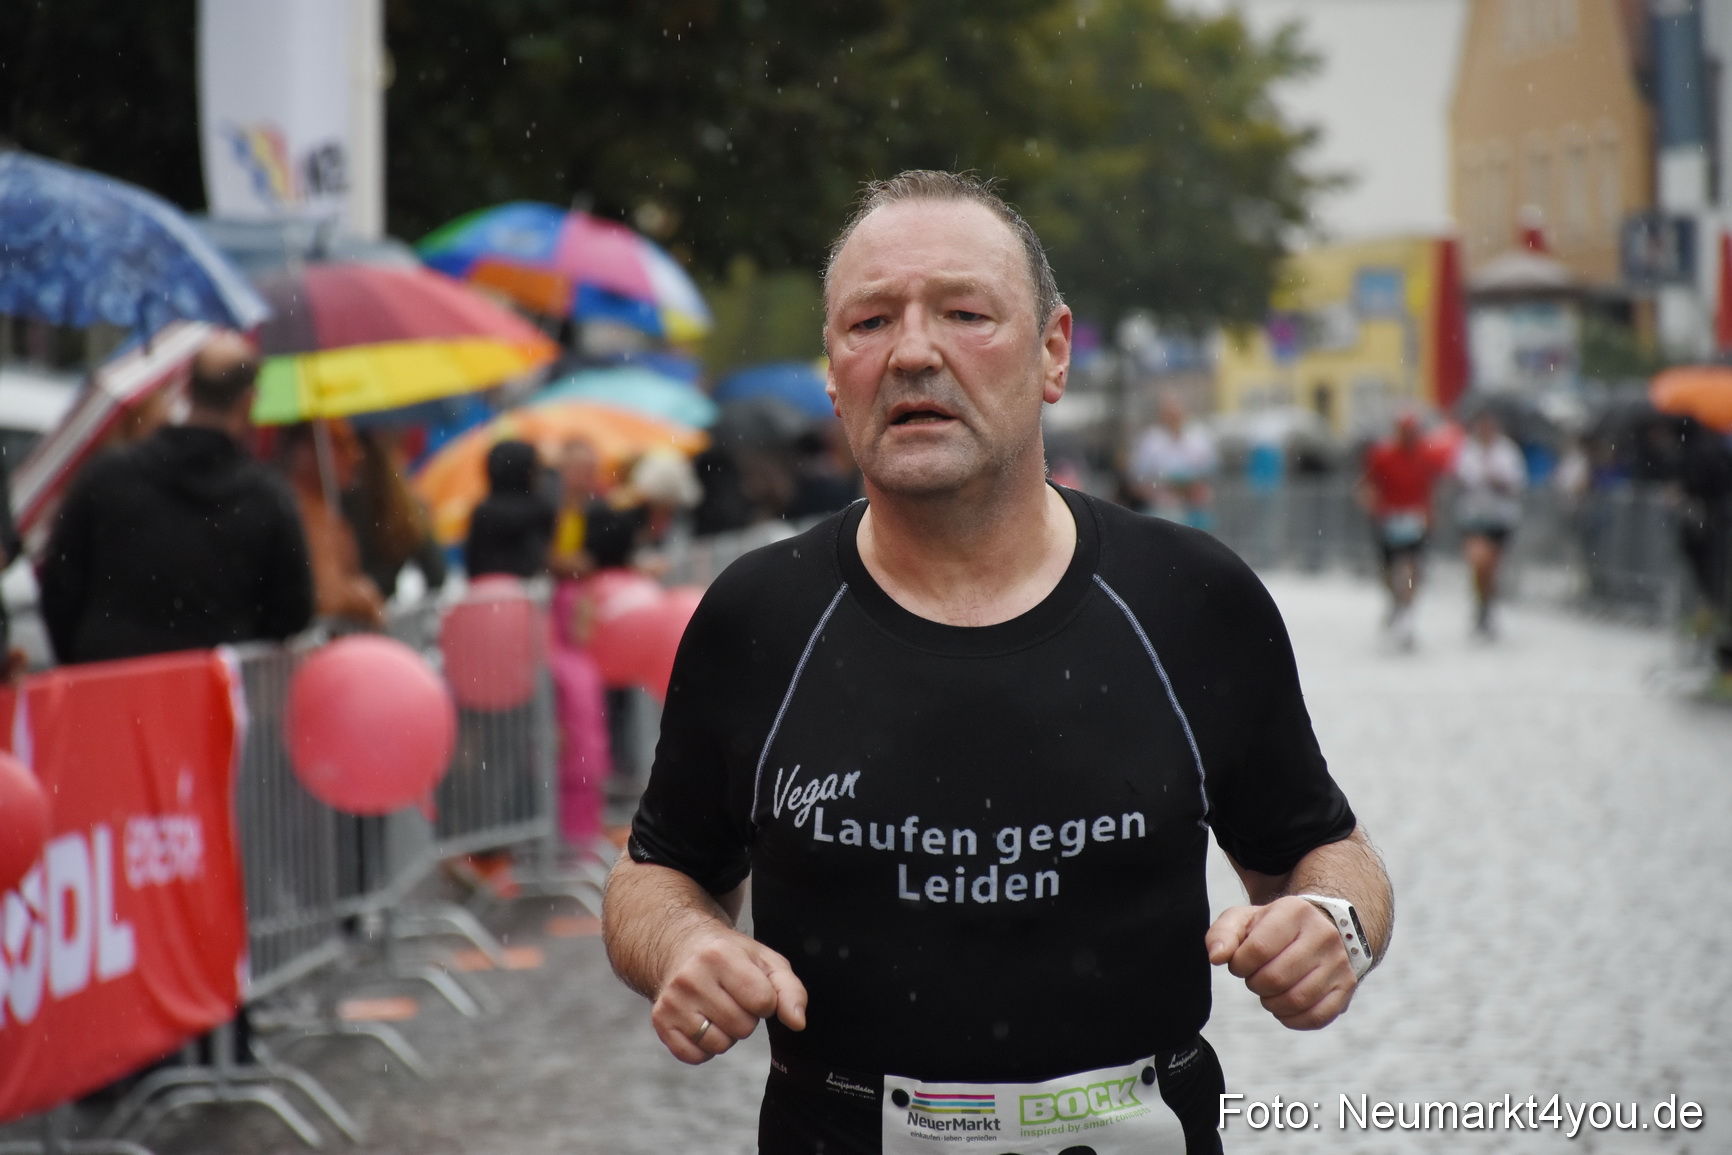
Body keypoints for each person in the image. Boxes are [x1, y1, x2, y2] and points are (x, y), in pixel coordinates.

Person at [603, 171, 1392, 1155]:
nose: (913, 352)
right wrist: (688, 941)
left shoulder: (1190, 598)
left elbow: (1330, 853)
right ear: (833, 369)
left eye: (965, 313)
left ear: (1053, 352)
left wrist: (1330, 925)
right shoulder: (758, 616)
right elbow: (656, 873)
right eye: (868, 322)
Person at [39, 332, 314, 664]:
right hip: (214, 695)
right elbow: (292, 612)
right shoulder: (268, 500)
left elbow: (59, 584)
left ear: (185, 388)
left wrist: (83, 659)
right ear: (248, 402)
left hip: (111, 685)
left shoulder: (107, 476)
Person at [1357, 412, 1452, 651]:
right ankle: (1395, 601)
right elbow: (1367, 484)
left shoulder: (1426, 456)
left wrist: (1432, 513)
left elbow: (1433, 487)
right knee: (1389, 573)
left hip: (1415, 521)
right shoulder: (1382, 455)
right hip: (1388, 520)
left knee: (1411, 569)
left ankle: (1407, 615)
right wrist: (1371, 504)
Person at [280, 422, 386, 629]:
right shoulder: (299, 511)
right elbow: (326, 597)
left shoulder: (324, 509)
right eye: (340, 443)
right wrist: (365, 595)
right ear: (304, 452)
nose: (356, 454)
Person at [1453, 411, 1527, 638]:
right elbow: (1460, 477)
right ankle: (1481, 601)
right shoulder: (1468, 450)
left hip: (1500, 518)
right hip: (1474, 517)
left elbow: (1517, 482)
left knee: (1492, 567)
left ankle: (1488, 604)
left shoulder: (1507, 451)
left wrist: (1497, 479)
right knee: (1479, 561)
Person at [464, 439, 556, 580]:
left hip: (484, 591)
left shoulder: (482, 511)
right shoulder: (540, 510)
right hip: (528, 591)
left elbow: (473, 562)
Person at [1127, 394, 1218, 528]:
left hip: (1194, 508)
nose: (1174, 419)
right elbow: (1138, 476)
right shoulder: (1151, 440)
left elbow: (1211, 471)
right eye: (1169, 415)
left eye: (1177, 414)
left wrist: (1195, 489)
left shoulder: (1198, 438)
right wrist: (1158, 488)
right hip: (1161, 507)